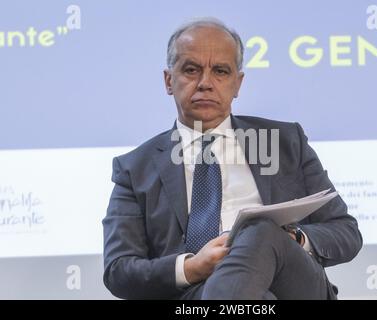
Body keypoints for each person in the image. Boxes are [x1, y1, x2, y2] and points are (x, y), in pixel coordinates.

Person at [102, 18, 363, 300]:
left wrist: (294, 240)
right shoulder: (134, 168)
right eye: (191, 70)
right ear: (169, 80)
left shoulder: (285, 142)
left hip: (292, 285)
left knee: (260, 231)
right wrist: (191, 267)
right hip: (196, 297)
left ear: (237, 83)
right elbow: (119, 270)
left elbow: (345, 232)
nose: (205, 83)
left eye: (220, 72)